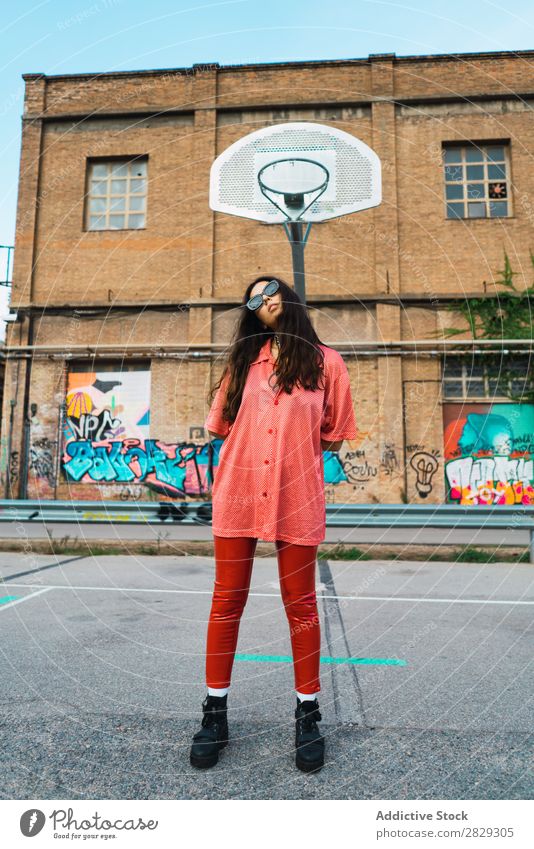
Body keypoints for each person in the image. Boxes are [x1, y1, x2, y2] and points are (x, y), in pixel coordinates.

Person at [190, 275, 358, 773]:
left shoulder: (328, 363)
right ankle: (214, 714)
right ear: (252, 313)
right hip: (238, 493)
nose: (264, 301)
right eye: (253, 300)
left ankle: (308, 713)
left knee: (301, 605)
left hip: (296, 495)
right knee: (227, 600)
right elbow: (220, 426)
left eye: (270, 291)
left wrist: (292, 454)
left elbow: (334, 434)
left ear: (288, 296)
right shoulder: (242, 362)